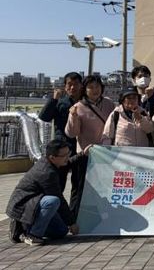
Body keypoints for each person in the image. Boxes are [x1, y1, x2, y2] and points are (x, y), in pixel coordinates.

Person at [6, 139, 80, 245]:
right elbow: (60, 199)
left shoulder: (50, 162)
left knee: (62, 231)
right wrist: (72, 223)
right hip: (23, 206)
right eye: (64, 155)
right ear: (52, 157)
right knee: (53, 201)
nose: (67, 157)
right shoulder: (47, 173)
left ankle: (24, 230)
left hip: (35, 204)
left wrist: (82, 154)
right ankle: (32, 234)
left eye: (69, 153)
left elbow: (67, 162)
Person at [64, 74, 115, 217]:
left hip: (106, 154)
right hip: (86, 154)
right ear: (84, 89)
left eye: (97, 86)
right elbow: (72, 133)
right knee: (80, 187)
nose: (95, 90)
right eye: (91, 87)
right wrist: (73, 116)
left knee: (105, 186)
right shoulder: (78, 107)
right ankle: (73, 218)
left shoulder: (109, 104)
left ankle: (103, 216)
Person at [38, 71, 82, 192]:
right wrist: (54, 99)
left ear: (81, 85)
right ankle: (56, 203)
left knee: (78, 183)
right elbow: (44, 117)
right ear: (65, 86)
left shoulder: (85, 103)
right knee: (58, 181)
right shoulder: (60, 101)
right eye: (69, 84)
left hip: (80, 147)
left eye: (76, 84)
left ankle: (74, 205)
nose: (72, 87)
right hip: (61, 147)